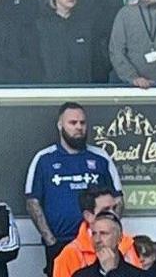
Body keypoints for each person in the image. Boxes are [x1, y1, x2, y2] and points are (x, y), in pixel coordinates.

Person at [27, 103, 123, 274]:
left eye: (82, 123)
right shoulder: (43, 159)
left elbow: (118, 199)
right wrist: (51, 241)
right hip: (60, 243)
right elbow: (32, 202)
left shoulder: (100, 157)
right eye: (73, 123)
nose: (79, 127)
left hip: (96, 243)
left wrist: (107, 234)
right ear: (60, 125)